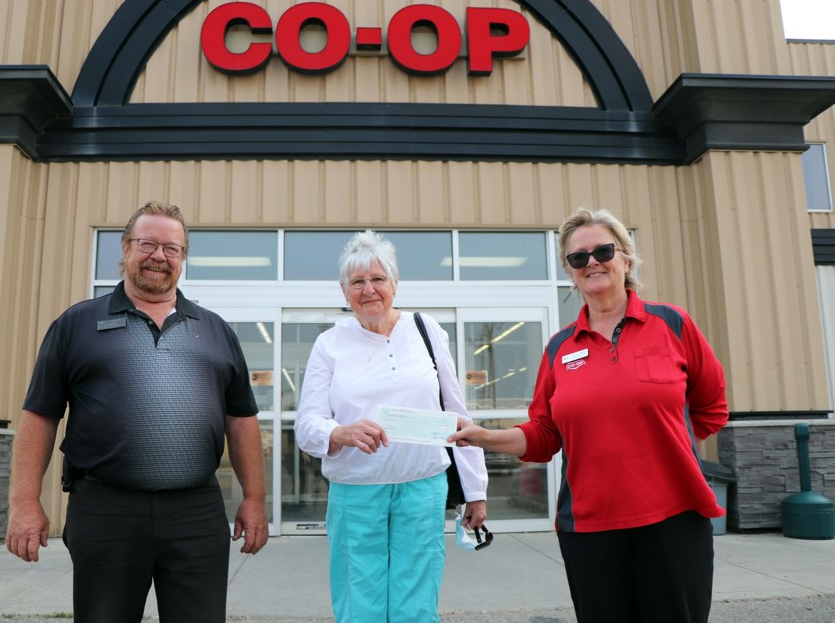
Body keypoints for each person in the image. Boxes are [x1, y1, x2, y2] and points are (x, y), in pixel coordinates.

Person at [450, 207, 728, 623]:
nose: (592, 262)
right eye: (579, 257)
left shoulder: (672, 324)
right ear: (570, 270)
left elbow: (710, 408)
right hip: (590, 528)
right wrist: (485, 436)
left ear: (625, 257)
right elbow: (544, 435)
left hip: (675, 520)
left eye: (602, 250)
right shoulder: (559, 348)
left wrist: (667, 449)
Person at [5, 201, 269, 623]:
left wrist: (254, 499)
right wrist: (23, 501)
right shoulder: (76, 325)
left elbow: (241, 420)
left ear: (183, 258)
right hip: (106, 509)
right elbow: (40, 415)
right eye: (148, 244)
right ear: (125, 248)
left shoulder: (215, 330)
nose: (159, 257)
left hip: (196, 512)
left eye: (172, 248)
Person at [295, 230, 489, 623]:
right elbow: (307, 424)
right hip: (355, 490)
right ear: (344, 290)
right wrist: (338, 433)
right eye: (358, 282)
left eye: (378, 279)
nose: (369, 290)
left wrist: (476, 490)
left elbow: (456, 411)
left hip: (422, 485)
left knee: (416, 601)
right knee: (358, 600)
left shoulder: (426, 330)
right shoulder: (330, 343)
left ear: (395, 284)